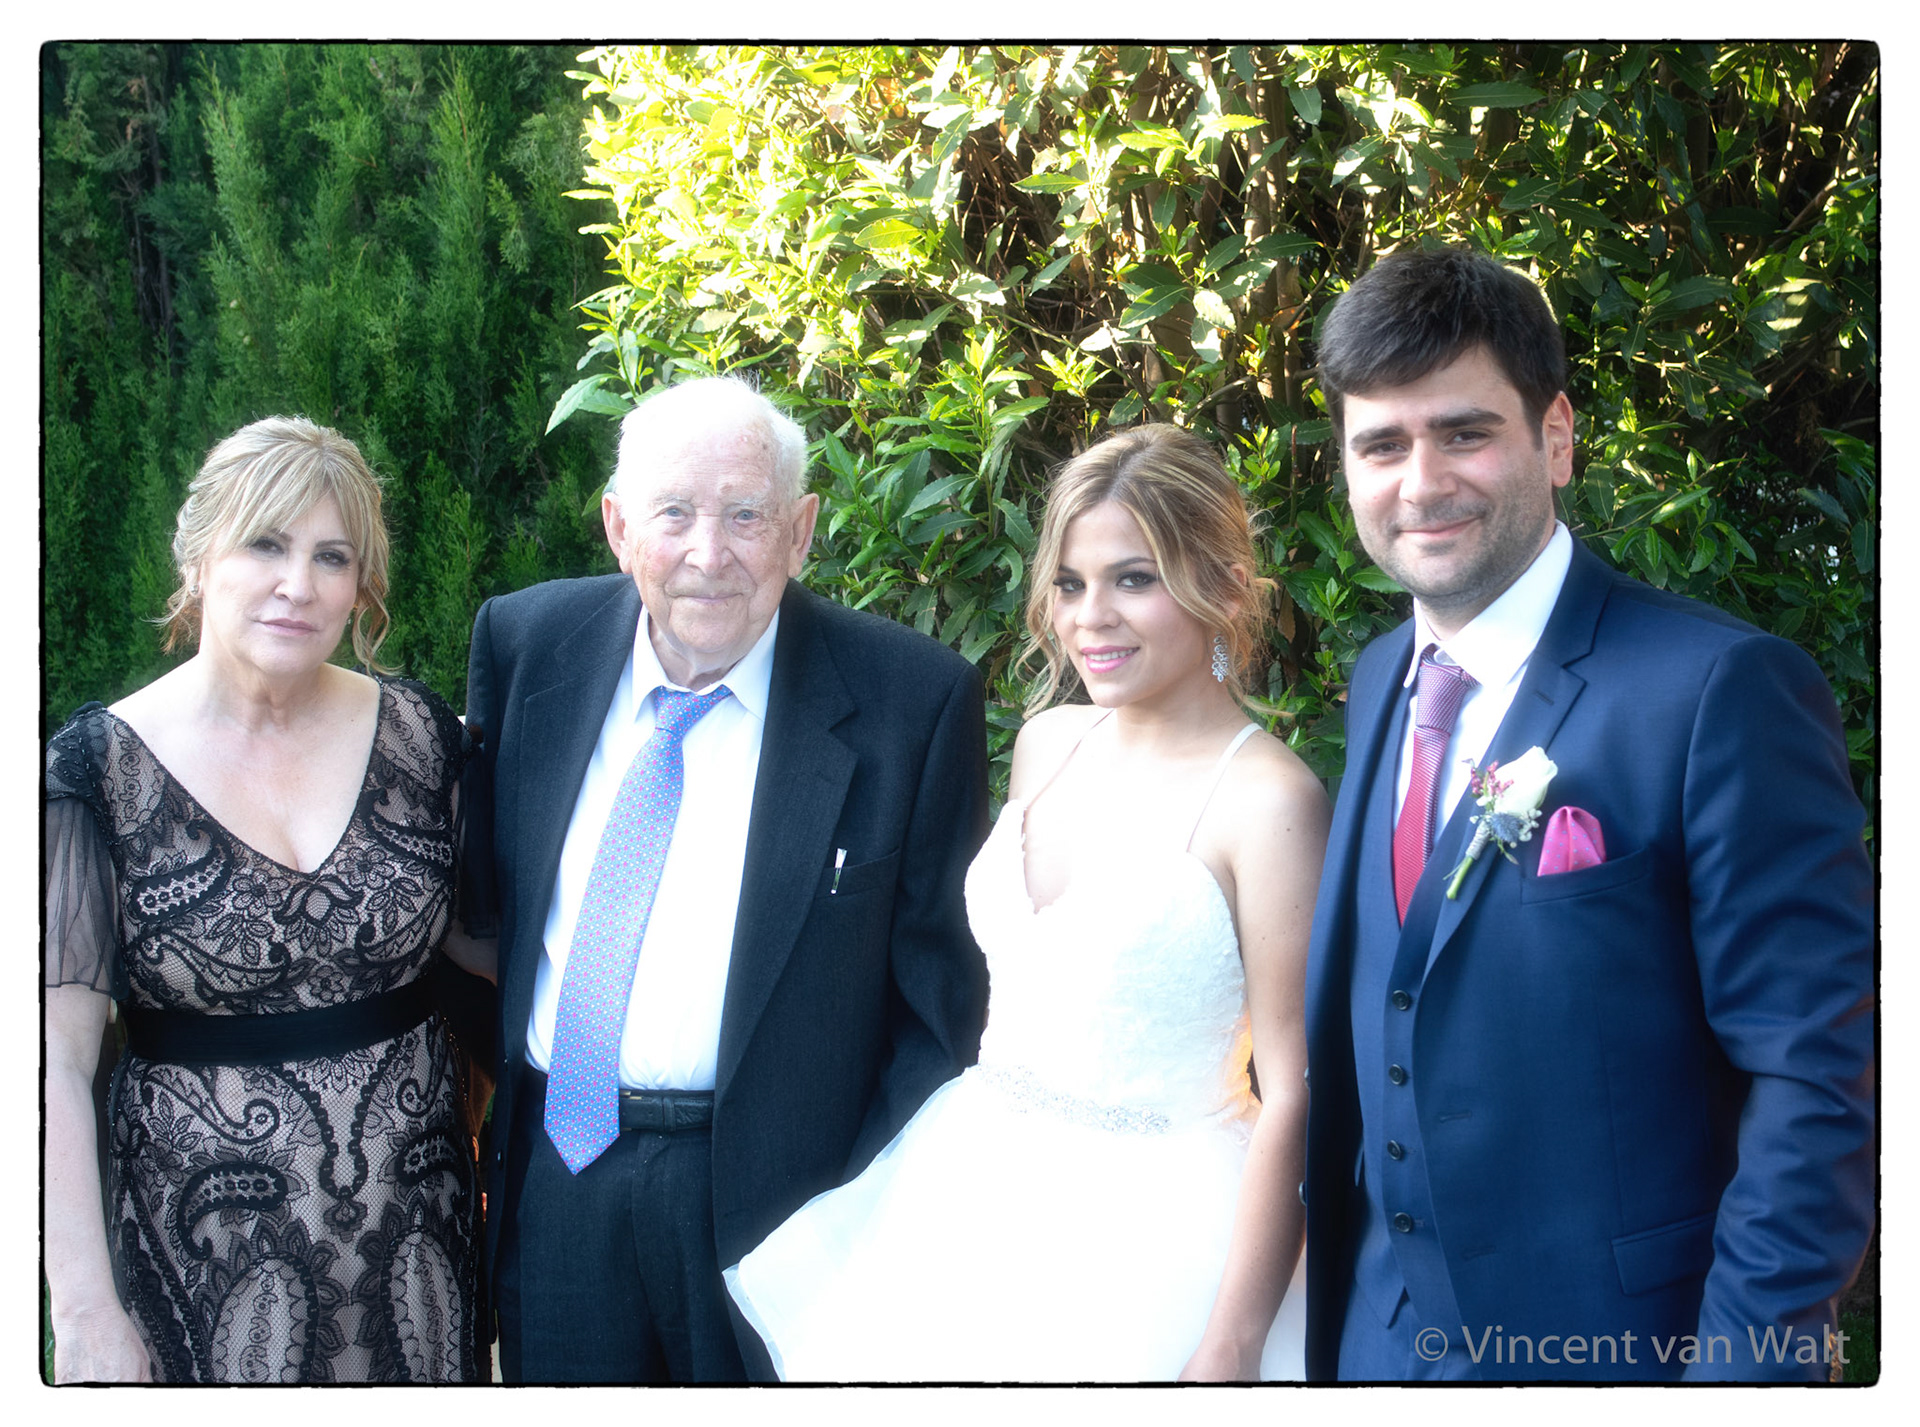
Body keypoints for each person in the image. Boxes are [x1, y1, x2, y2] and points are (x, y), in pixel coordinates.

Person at [1300, 245, 1875, 1382]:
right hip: (1373, 1345)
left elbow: (1816, 1079)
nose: (1421, 482)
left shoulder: (1717, 690)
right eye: (1382, 444)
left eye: (1464, 432)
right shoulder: (1377, 681)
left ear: (1555, 435)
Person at [725, 424, 1328, 1381]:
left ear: (1218, 584)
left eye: (1134, 579)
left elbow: (1295, 1087)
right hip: (969, 1199)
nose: (1093, 617)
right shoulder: (1049, 742)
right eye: (1071, 583)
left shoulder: (1269, 800)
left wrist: (1234, 1339)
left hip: (1156, 1245)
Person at [460, 374, 990, 1382]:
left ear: (801, 530)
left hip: (783, 1208)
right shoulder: (528, 646)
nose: (709, 553)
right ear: (618, 527)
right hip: (562, 1180)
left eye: (746, 514)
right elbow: (478, 907)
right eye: (674, 513)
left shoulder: (911, 702)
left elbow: (939, 1019)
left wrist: (855, 1227)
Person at [44, 416, 492, 1383]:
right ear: (200, 555)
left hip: (420, 1254)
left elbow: (498, 950)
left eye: (332, 557)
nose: (299, 584)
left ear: (360, 586)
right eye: (265, 544)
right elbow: (51, 1065)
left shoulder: (424, 738)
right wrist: (81, 1310)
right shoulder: (98, 771)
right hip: (202, 1269)